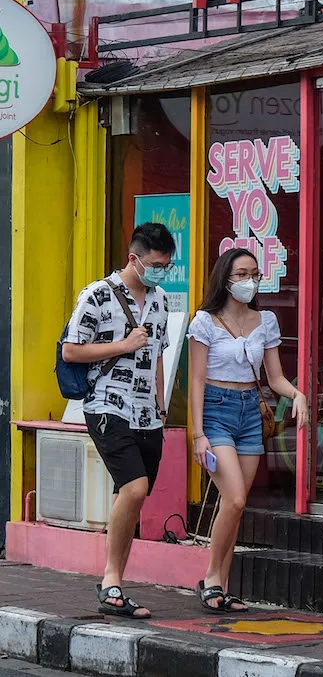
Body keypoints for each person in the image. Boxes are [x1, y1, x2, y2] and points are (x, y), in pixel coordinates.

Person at [62, 222, 175, 619]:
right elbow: (71, 352)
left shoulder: (161, 300)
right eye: (156, 264)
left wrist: (161, 406)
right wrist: (123, 345)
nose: (161, 271)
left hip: (147, 412)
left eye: (167, 265)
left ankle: (115, 588)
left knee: (130, 496)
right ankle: (110, 580)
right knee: (135, 488)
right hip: (107, 404)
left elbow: (158, 354)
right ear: (134, 258)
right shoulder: (98, 294)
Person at [188, 249, 308, 613]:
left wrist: (297, 394)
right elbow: (194, 381)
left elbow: (275, 378)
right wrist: (197, 435)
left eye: (254, 274)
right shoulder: (205, 322)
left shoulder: (265, 320)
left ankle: (222, 586)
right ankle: (209, 577)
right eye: (241, 274)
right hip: (216, 409)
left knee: (235, 506)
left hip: (250, 414)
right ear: (225, 278)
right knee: (236, 498)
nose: (249, 281)